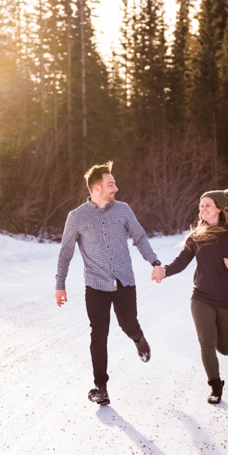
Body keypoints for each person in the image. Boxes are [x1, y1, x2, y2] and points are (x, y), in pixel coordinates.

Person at [55, 161, 162, 406]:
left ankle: (138, 338)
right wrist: (60, 284)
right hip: (95, 285)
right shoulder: (77, 217)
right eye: (110, 184)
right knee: (98, 334)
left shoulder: (123, 210)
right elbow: (65, 252)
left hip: (124, 281)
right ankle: (100, 386)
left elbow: (140, 237)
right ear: (96, 188)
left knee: (128, 324)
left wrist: (154, 262)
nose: (116, 188)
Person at [151, 189, 228, 404]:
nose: (203, 209)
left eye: (208, 205)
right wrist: (164, 270)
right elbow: (181, 262)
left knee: (226, 349)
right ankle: (215, 386)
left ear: (219, 208)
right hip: (201, 297)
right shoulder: (196, 237)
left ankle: (221, 345)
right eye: (201, 205)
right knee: (206, 343)